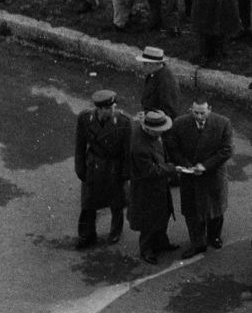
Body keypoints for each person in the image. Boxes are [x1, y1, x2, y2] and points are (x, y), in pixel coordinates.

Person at [168, 96, 232, 258]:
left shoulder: (223, 123)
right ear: (191, 109)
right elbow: (173, 148)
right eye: (195, 112)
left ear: (209, 109)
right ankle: (198, 244)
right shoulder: (180, 123)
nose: (199, 116)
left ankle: (214, 236)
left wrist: (205, 166)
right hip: (190, 176)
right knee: (192, 212)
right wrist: (187, 165)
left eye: (202, 113)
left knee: (215, 210)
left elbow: (226, 150)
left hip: (213, 175)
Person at [74, 89, 131, 246]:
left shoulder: (124, 122)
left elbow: (128, 151)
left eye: (113, 106)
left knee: (116, 203)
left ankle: (115, 231)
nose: (112, 110)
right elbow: (80, 145)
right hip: (94, 165)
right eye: (108, 108)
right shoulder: (85, 118)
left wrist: (126, 173)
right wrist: (80, 169)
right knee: (88, 203)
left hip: (114, 167)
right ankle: (86, 235)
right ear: (99, 109)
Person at [128, 110, 178, 263]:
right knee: (149, 221)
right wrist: (172, 168)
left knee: (162, 215)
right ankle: (147, 250)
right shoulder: (140, 147)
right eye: (159, 131)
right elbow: (151, 171)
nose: (162, 133)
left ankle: (161, 243)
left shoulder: (149, 135)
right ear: (149, 129)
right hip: (147, 189)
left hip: (158, 186)